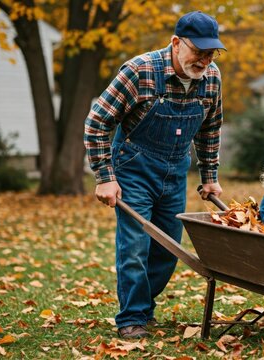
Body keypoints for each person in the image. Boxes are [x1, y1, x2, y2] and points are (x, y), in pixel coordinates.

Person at [83, 11, 226, 339]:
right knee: (135, 244)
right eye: (197, 51)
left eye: (210, 53)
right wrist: (105, 177)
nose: (204, 60)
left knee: (167, 248)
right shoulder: (140, 71)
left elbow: (210, 128)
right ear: (176, 43)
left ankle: (144, 307)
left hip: (175, 170)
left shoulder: (212, 78)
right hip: (133, 168)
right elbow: (97, 121)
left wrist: (210, 175)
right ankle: (132, 317)